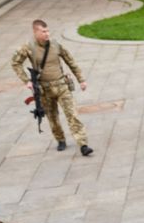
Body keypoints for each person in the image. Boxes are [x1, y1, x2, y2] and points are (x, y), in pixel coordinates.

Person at [10, 19, 93, 156]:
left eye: (48, 31)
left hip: (61, 85)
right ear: (35, 32)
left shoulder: (55, 45)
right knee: (52, 117)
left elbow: (70, 61)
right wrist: (26, 80)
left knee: (72, 115)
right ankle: (60, 139)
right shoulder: (28, 47)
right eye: (43, 31)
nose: (47, 34)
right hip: (44, 89)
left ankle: (83, 144)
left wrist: (81, 80)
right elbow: (15, 63)